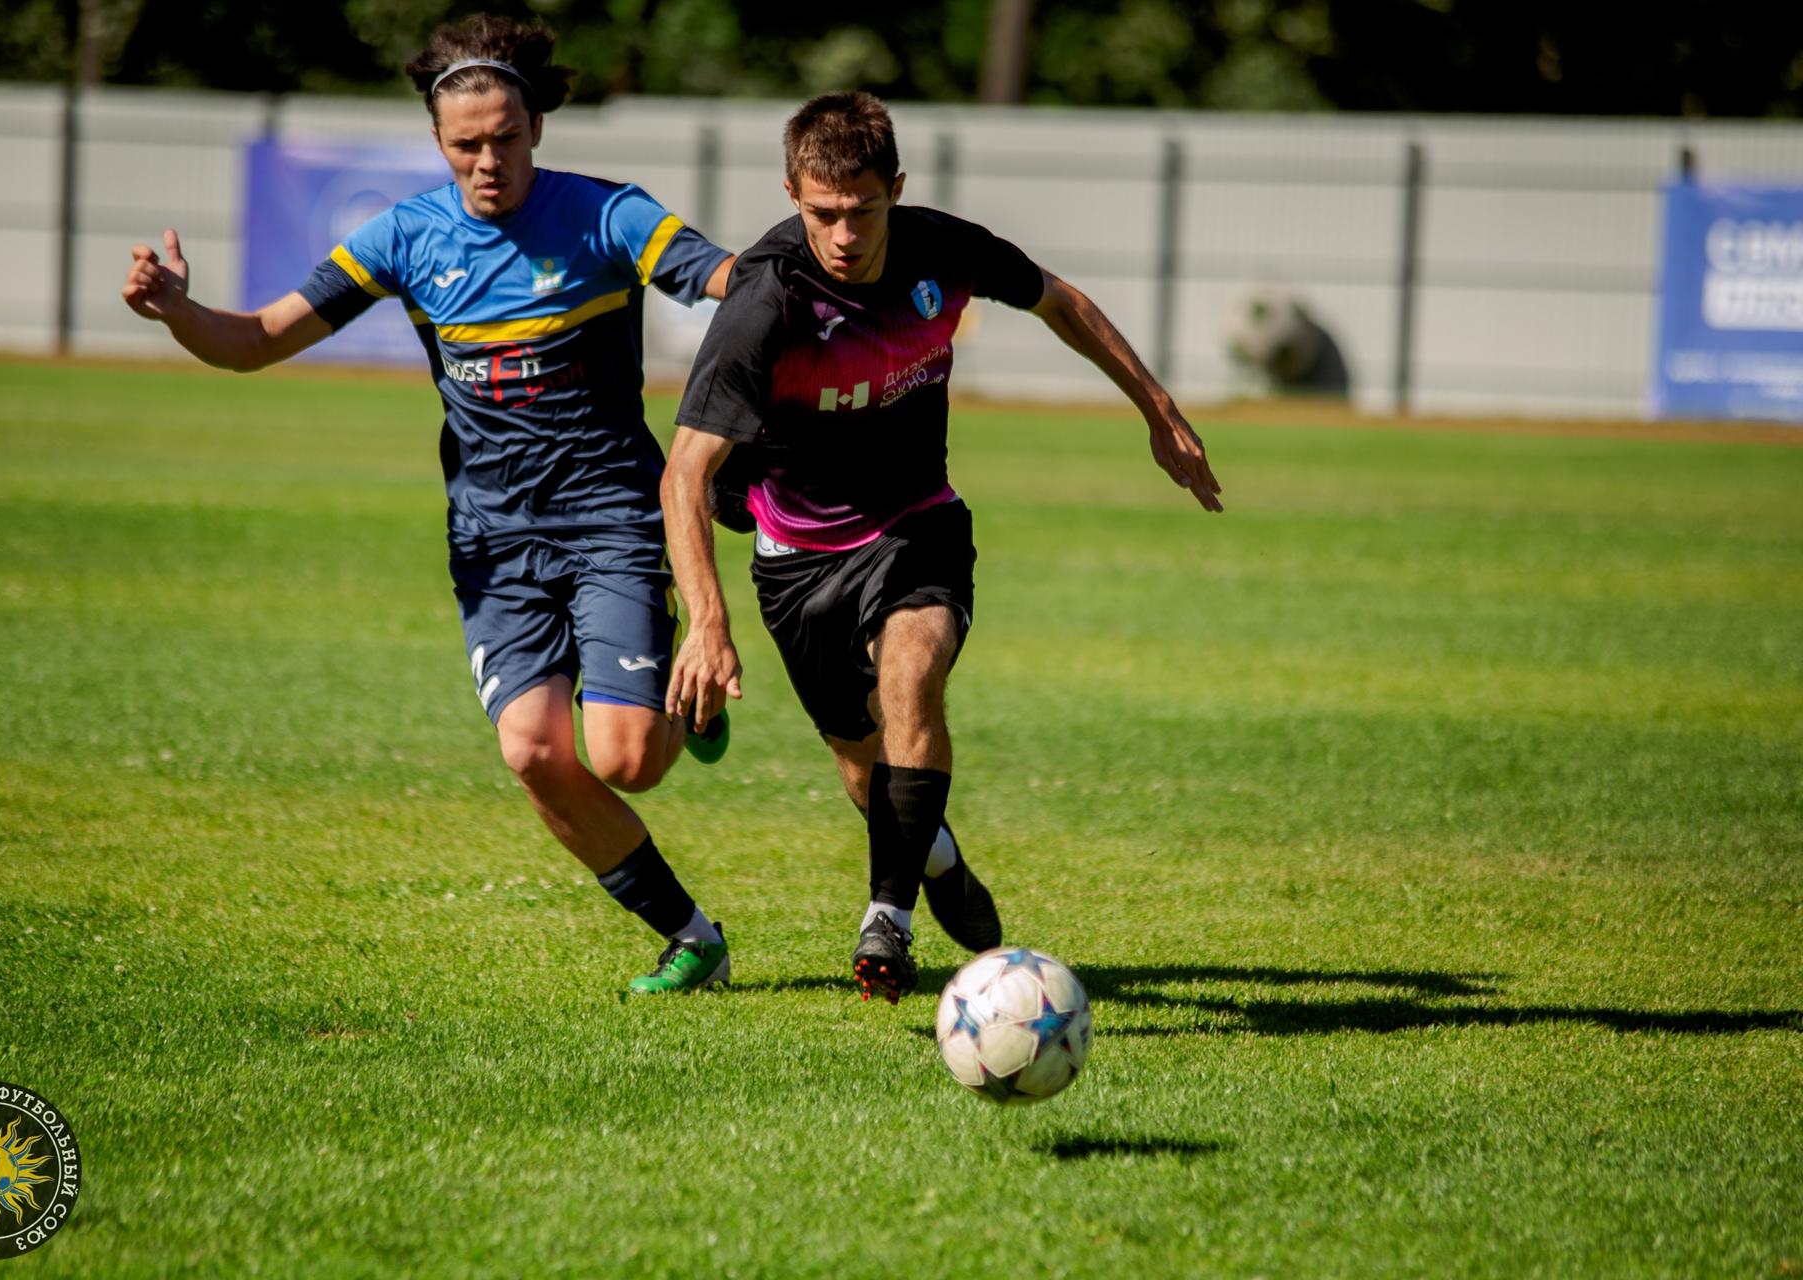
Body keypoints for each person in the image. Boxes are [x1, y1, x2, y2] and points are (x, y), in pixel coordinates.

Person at [121, 15, 739, 995]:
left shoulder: (606, 216)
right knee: (532, 749)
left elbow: (722, 279)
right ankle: (692, 937)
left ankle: (679, 699)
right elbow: (259, 339)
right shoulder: (407, 237)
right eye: (465, 144)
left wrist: (786, 284)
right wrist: (181, 310)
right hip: (492, 538)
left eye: (503, 137)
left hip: (611, 514)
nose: (486, 160)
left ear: (535, 123)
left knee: (626, 758)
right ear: (438, 140)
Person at [661, 91, 1222, 1005]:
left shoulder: (943, 249)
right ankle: (938, 858)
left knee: (912, 674)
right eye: (822, 213)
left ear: (898, 190)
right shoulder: (765, 304)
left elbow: (1061, 301)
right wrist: (707, 623)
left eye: (864, 209)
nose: (843, 233)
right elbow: (684, 473)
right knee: (861, 764)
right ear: (794, 194)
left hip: (917, 520)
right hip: (796, 556)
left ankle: (888, 918)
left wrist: (1159, 413)